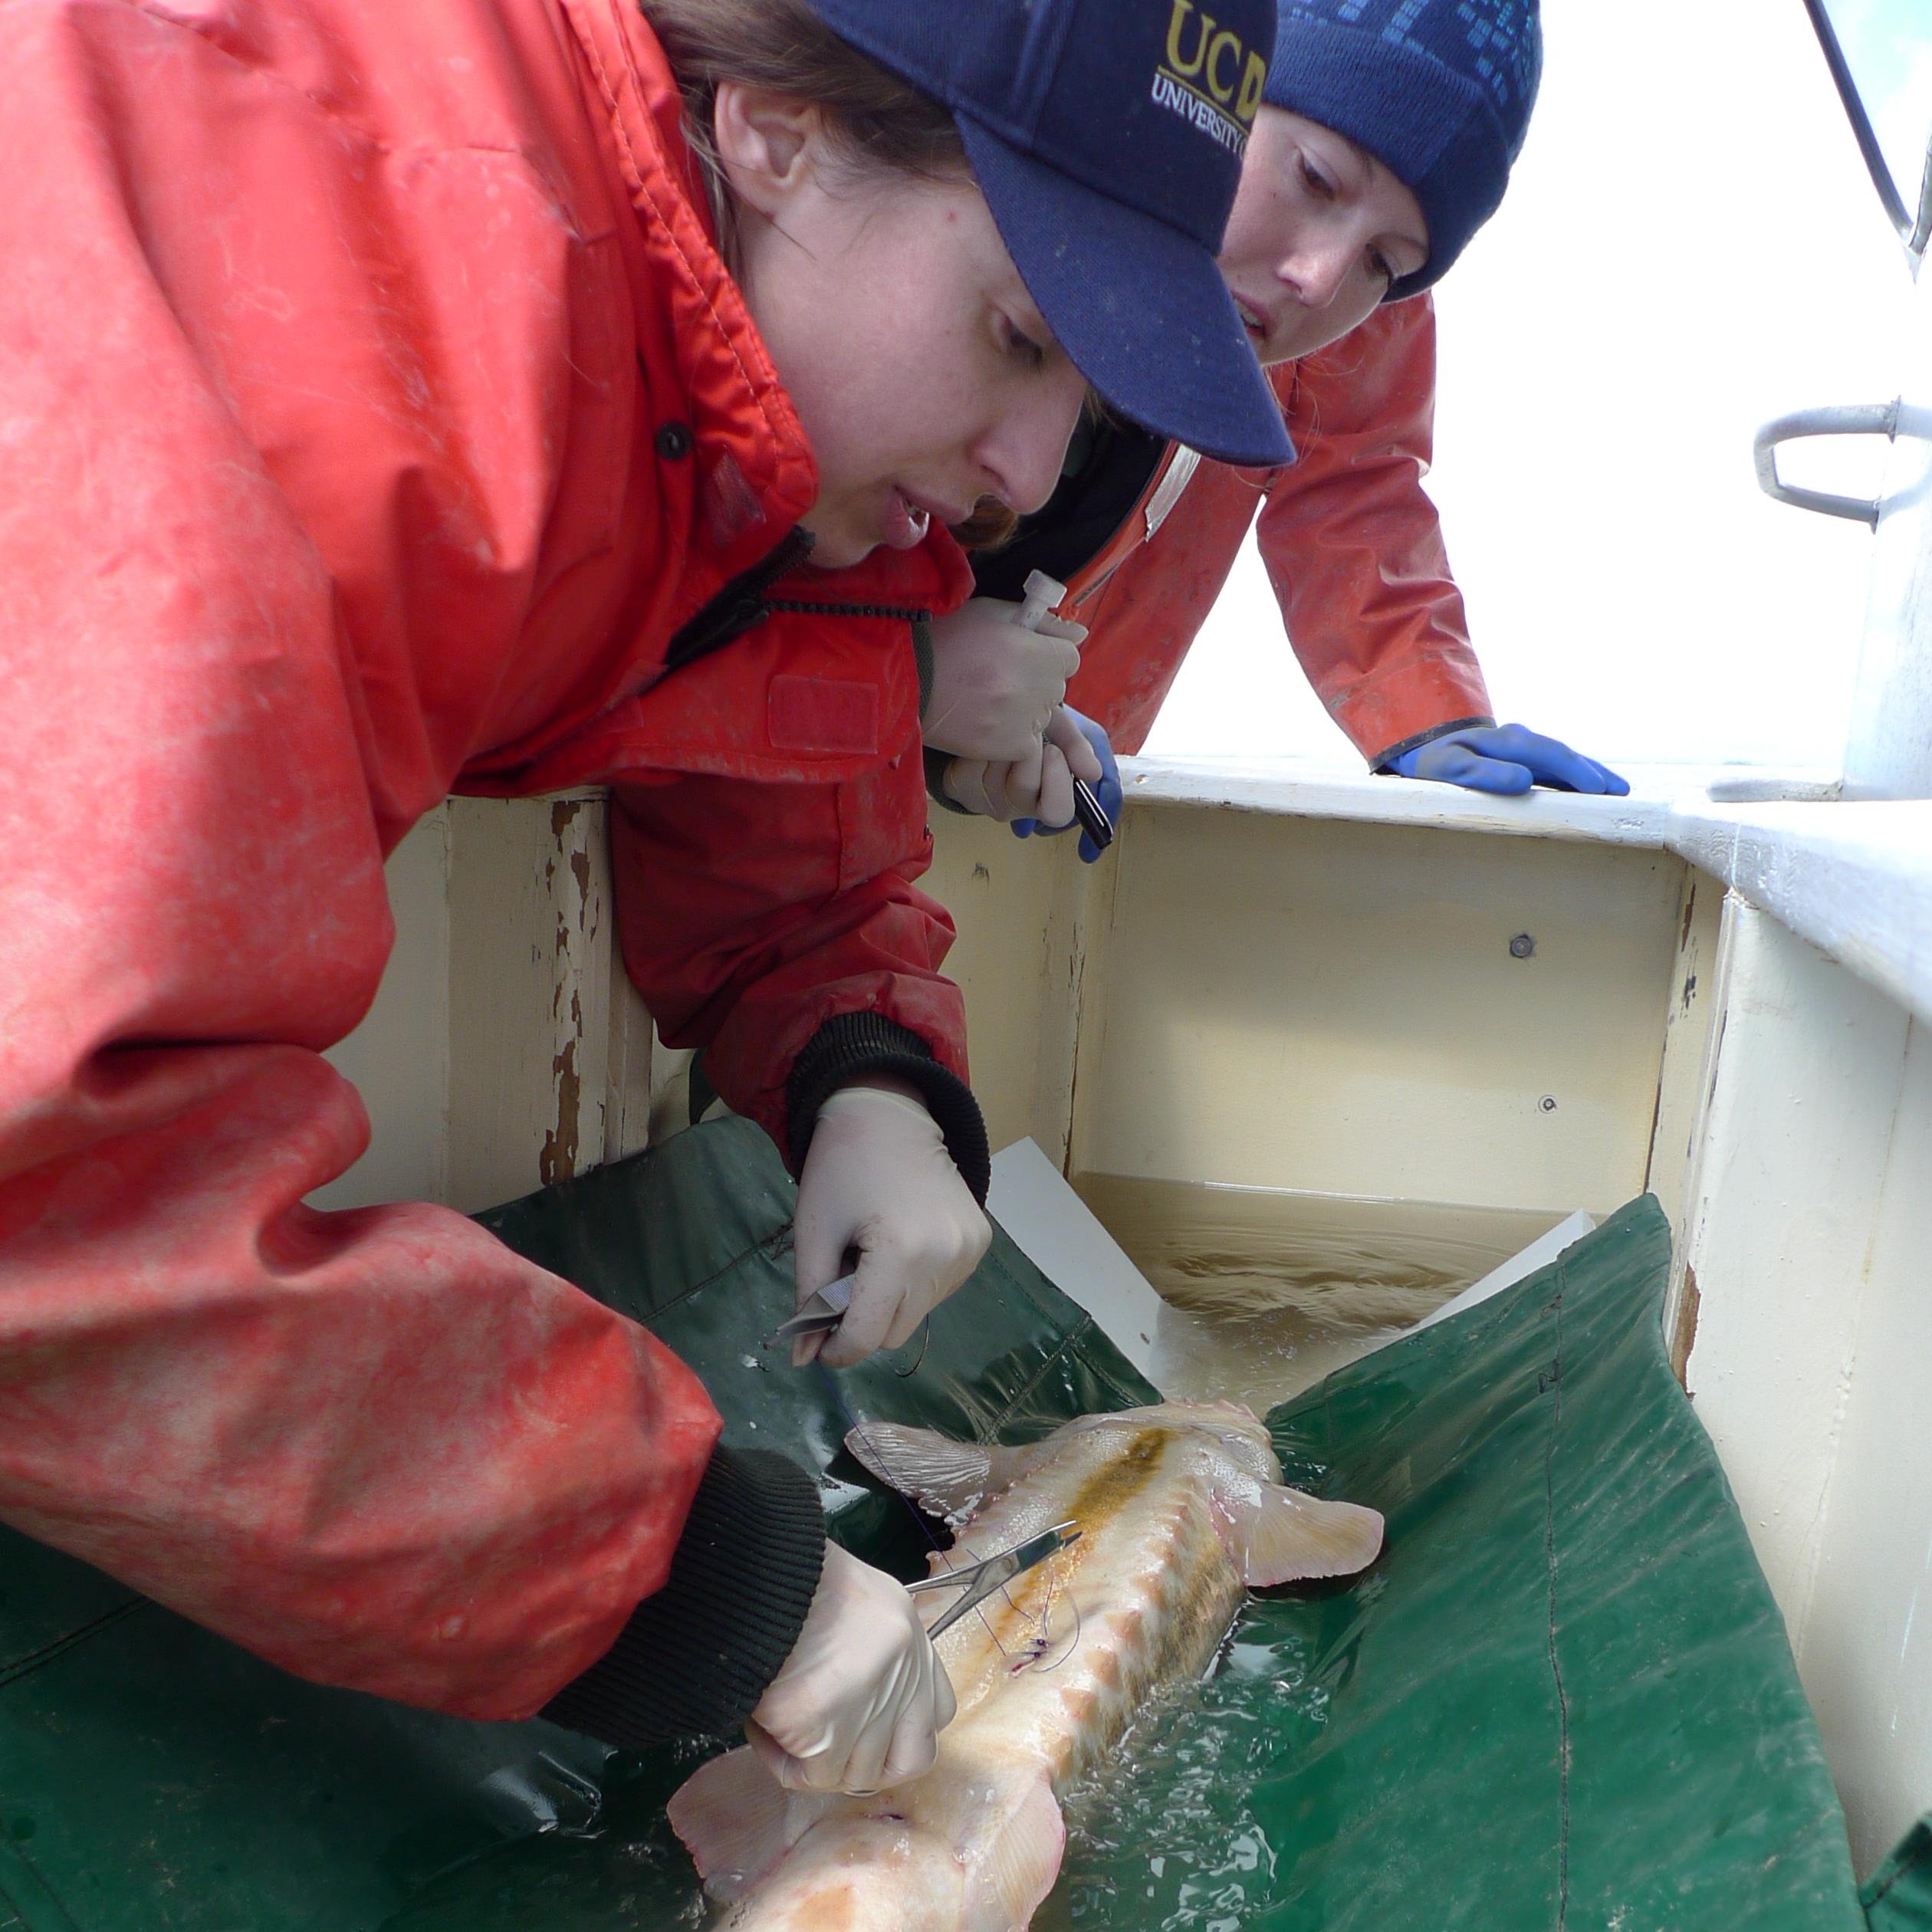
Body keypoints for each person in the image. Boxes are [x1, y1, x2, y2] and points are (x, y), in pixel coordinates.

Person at [0, 0, 1284, 1796]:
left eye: (1084, 401)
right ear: (777, 129)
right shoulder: (352, 283)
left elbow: (770, 671)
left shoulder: (728, 375)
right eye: (1019, 337)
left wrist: (863, 1063)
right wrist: (691, 1584)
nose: (1020, 481)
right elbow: (46, 1178)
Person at [923, 0, 1630, 855]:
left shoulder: (1338, 281)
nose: (1320, 280)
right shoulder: (970, 147)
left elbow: (1355, 483)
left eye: (1386, 264)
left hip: (1029, 757)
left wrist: (1421, 707)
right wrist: (904, 671)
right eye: (1315, 178)